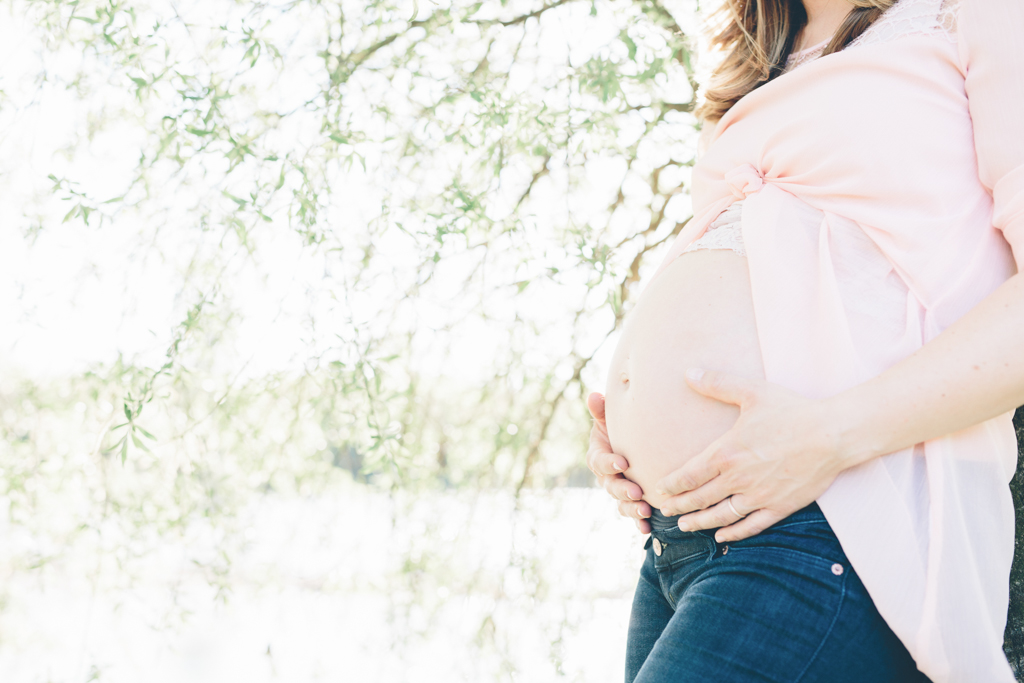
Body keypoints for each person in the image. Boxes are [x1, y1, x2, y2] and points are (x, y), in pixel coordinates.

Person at [584, 0, 1024, 681]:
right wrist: (633, 427)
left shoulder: (972, 13)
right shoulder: (759, 58)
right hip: (680, 539)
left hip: (832, 520)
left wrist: (830, 434)